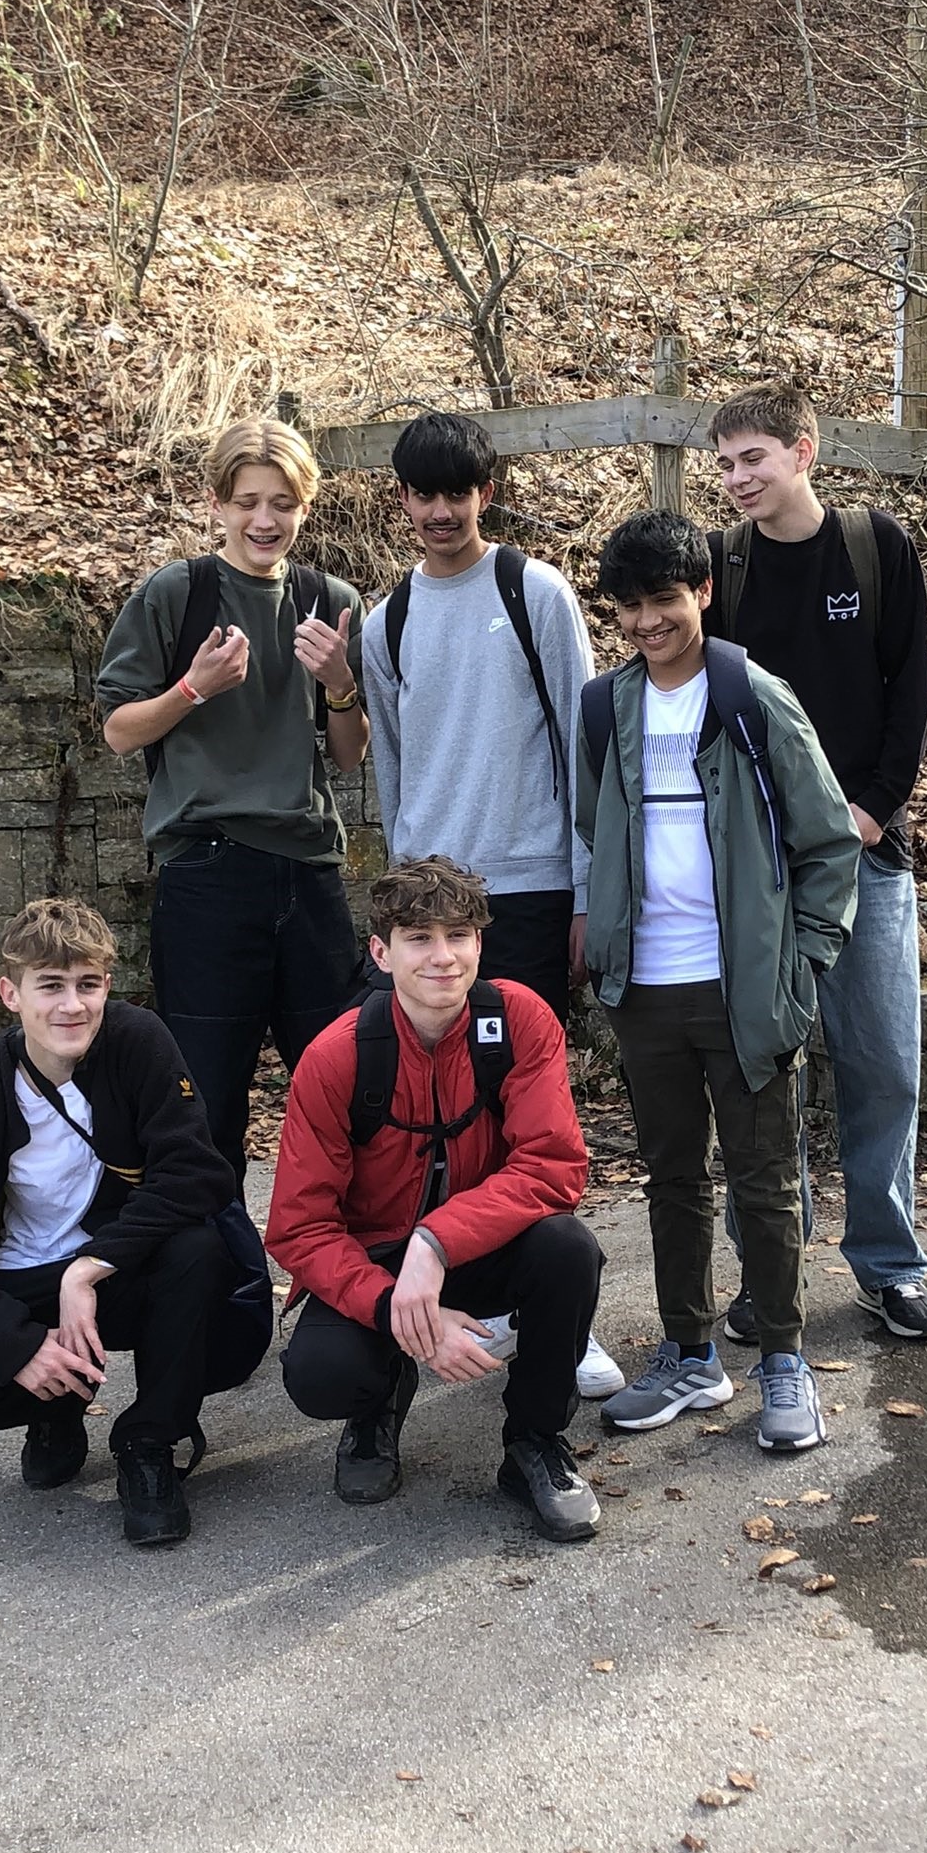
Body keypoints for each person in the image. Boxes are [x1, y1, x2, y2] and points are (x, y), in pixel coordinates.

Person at [576, 511, 859, 1453]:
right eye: (629, 606)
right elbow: (594, 826)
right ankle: (690, 1353)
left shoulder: (754, 698)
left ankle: (783, 1360)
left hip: (745, 989)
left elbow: (829, 841)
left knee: (764, 1181)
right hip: (645, 990)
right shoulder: (604, 707)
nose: (647, 621)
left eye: (664, 598)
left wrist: (803, 959)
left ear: (702, 591)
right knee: (671, 1179)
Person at [360, 409, 622, 1399]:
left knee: (527, 1109)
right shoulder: (385, 621)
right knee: (436, 1109)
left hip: (528, 884)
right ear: (402, 500)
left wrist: (586, 890)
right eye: (423, 494)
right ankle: (467, 1296)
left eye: (457, 492)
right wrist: (398, 901)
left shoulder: (534, 592)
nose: (441, 511)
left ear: (487, 492)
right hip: (430, 899)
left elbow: (583, 747)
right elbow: (391, 767)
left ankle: (559, 1312)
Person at [706, 384, 927, 1341]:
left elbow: (910, 690)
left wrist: (873, 811)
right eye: (725, 464)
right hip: (757, 870)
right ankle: (772, 1273)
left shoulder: (874, 548)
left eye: (753, 459)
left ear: (803, 451)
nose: (737, 479)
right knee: (764, 1074)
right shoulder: (720, 566)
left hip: (867, 857)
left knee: (882, 1065)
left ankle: (890, 1268)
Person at [266, 857, 605, 1542]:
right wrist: (400, 1310)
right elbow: (300, 1228)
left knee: (568, 1249)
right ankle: (377, 1406)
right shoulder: (335, 1057)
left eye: (459, 935)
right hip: (377, 1264)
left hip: (479, 1248)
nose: (443, 957)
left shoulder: (520, 1019)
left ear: (481, 943)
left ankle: (535, 1439)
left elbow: (553, 1167)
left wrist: (436, 1241)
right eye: (419, 938)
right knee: (323, 1375)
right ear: (381, 952)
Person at [0, 899, 239, 1547]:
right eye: (50, 986)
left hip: (113, 1271)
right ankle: (56, 1407)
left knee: (197, 1250)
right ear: (11, 994)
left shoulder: (137, 1042)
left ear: (107, 986)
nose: (72, 1006)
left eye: (88, 984)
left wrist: (89, 1268)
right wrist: (17, 1346)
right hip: (19, 1282)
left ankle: (149, 1442)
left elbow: (197, 1173)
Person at [97, 416, 368, 1189]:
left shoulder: (329, 601)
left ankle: (338, 1257)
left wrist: (340, 684)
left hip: (309, 875)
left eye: (282, 503)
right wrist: (193, 687)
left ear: (305, 507)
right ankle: (213, 1260)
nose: (264, 520)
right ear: (217, 503)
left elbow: (349, 755)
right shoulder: (176, 595)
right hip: (207, 876)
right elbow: (119, 731)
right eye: (247, 502)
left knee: (343, 1095)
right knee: (205, 1103)